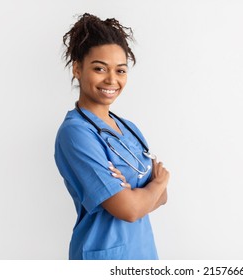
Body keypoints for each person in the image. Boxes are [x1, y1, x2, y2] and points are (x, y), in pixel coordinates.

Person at [54, 13, 169, 260]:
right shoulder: (76, 133)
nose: (112, 80)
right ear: (77, 68)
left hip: (144, 254)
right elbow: (128, 209)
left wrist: (141, 195)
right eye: (99, 68)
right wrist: (156, 184)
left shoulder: (128, 128)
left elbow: (163, 199)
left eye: (121, 70)